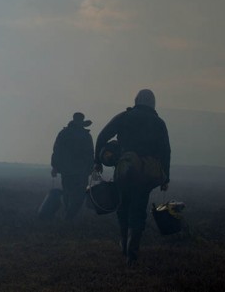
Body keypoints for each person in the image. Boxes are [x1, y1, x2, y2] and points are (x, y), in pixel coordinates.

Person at [94, 89, 171, 265]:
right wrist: (165, 178)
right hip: (146, 175)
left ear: (136, 101)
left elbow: (102, 136)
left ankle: (124, 246)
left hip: (124, 170)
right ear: (153, 103)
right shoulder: (159, 123)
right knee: (138, 209)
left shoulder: (124, 117)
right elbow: (166, 151)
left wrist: (97, 160)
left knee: (123, 207)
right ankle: (132, 253)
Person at [51, 112, 95, 220]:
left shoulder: (64, 133)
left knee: (68, 192)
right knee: (78, 195)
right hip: (81, 171)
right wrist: (91, 168)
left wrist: (55, 166)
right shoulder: (86, 135)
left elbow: (56, 151)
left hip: (68, 170)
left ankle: (68, 213)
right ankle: (70, 215)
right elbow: (90, 153)